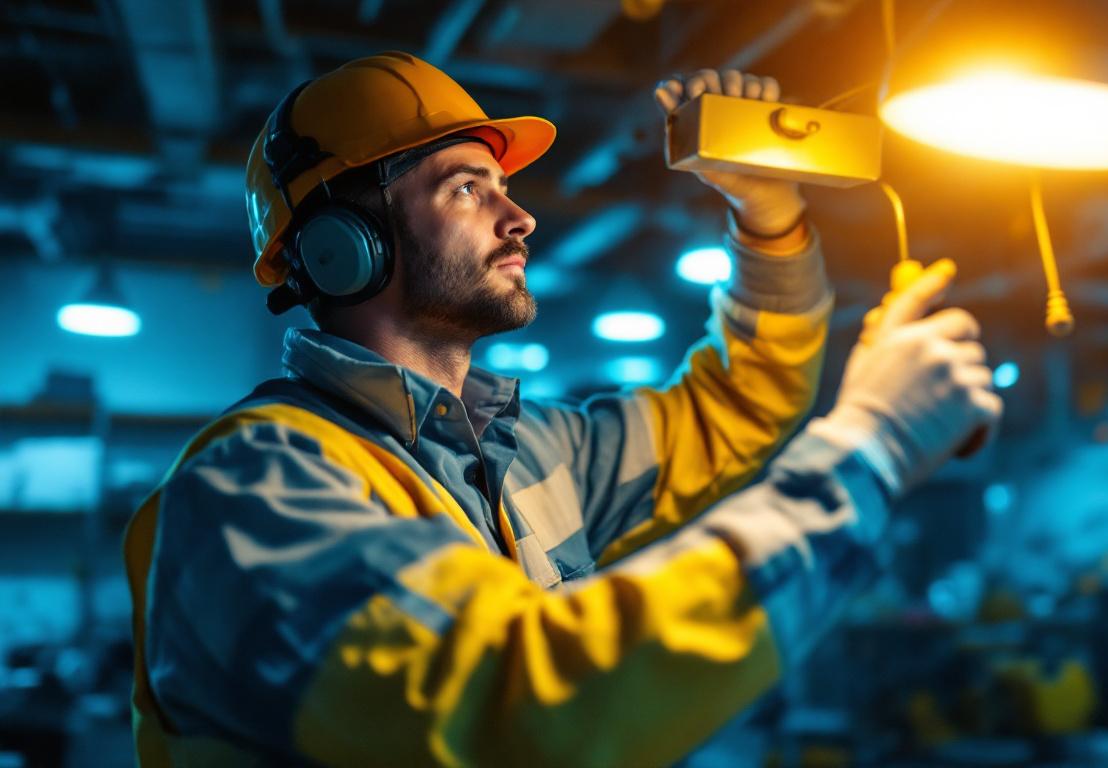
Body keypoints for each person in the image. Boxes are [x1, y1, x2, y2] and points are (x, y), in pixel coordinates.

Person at [122, 52, 1000, 767]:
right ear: (343, 245)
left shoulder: (535, 452)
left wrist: (766, 219)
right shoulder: (257, 485)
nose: (522, 217)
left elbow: (742, 401)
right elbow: (512, 710)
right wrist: (870, 451)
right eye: (467, 188)